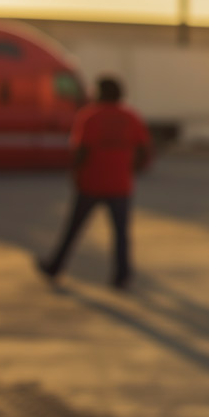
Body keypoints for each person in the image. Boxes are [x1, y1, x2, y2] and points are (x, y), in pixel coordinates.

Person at [37, 76, 151, 289]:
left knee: (73, 229)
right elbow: (144, 149)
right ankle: (122, 277)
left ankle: (55, 267)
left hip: (91, 184)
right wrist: (129, 168)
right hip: (120, 185)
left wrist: (76, 174)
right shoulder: (131, 117)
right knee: (121, 235)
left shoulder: (89, 116)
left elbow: (81, 150)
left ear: (102, 93)